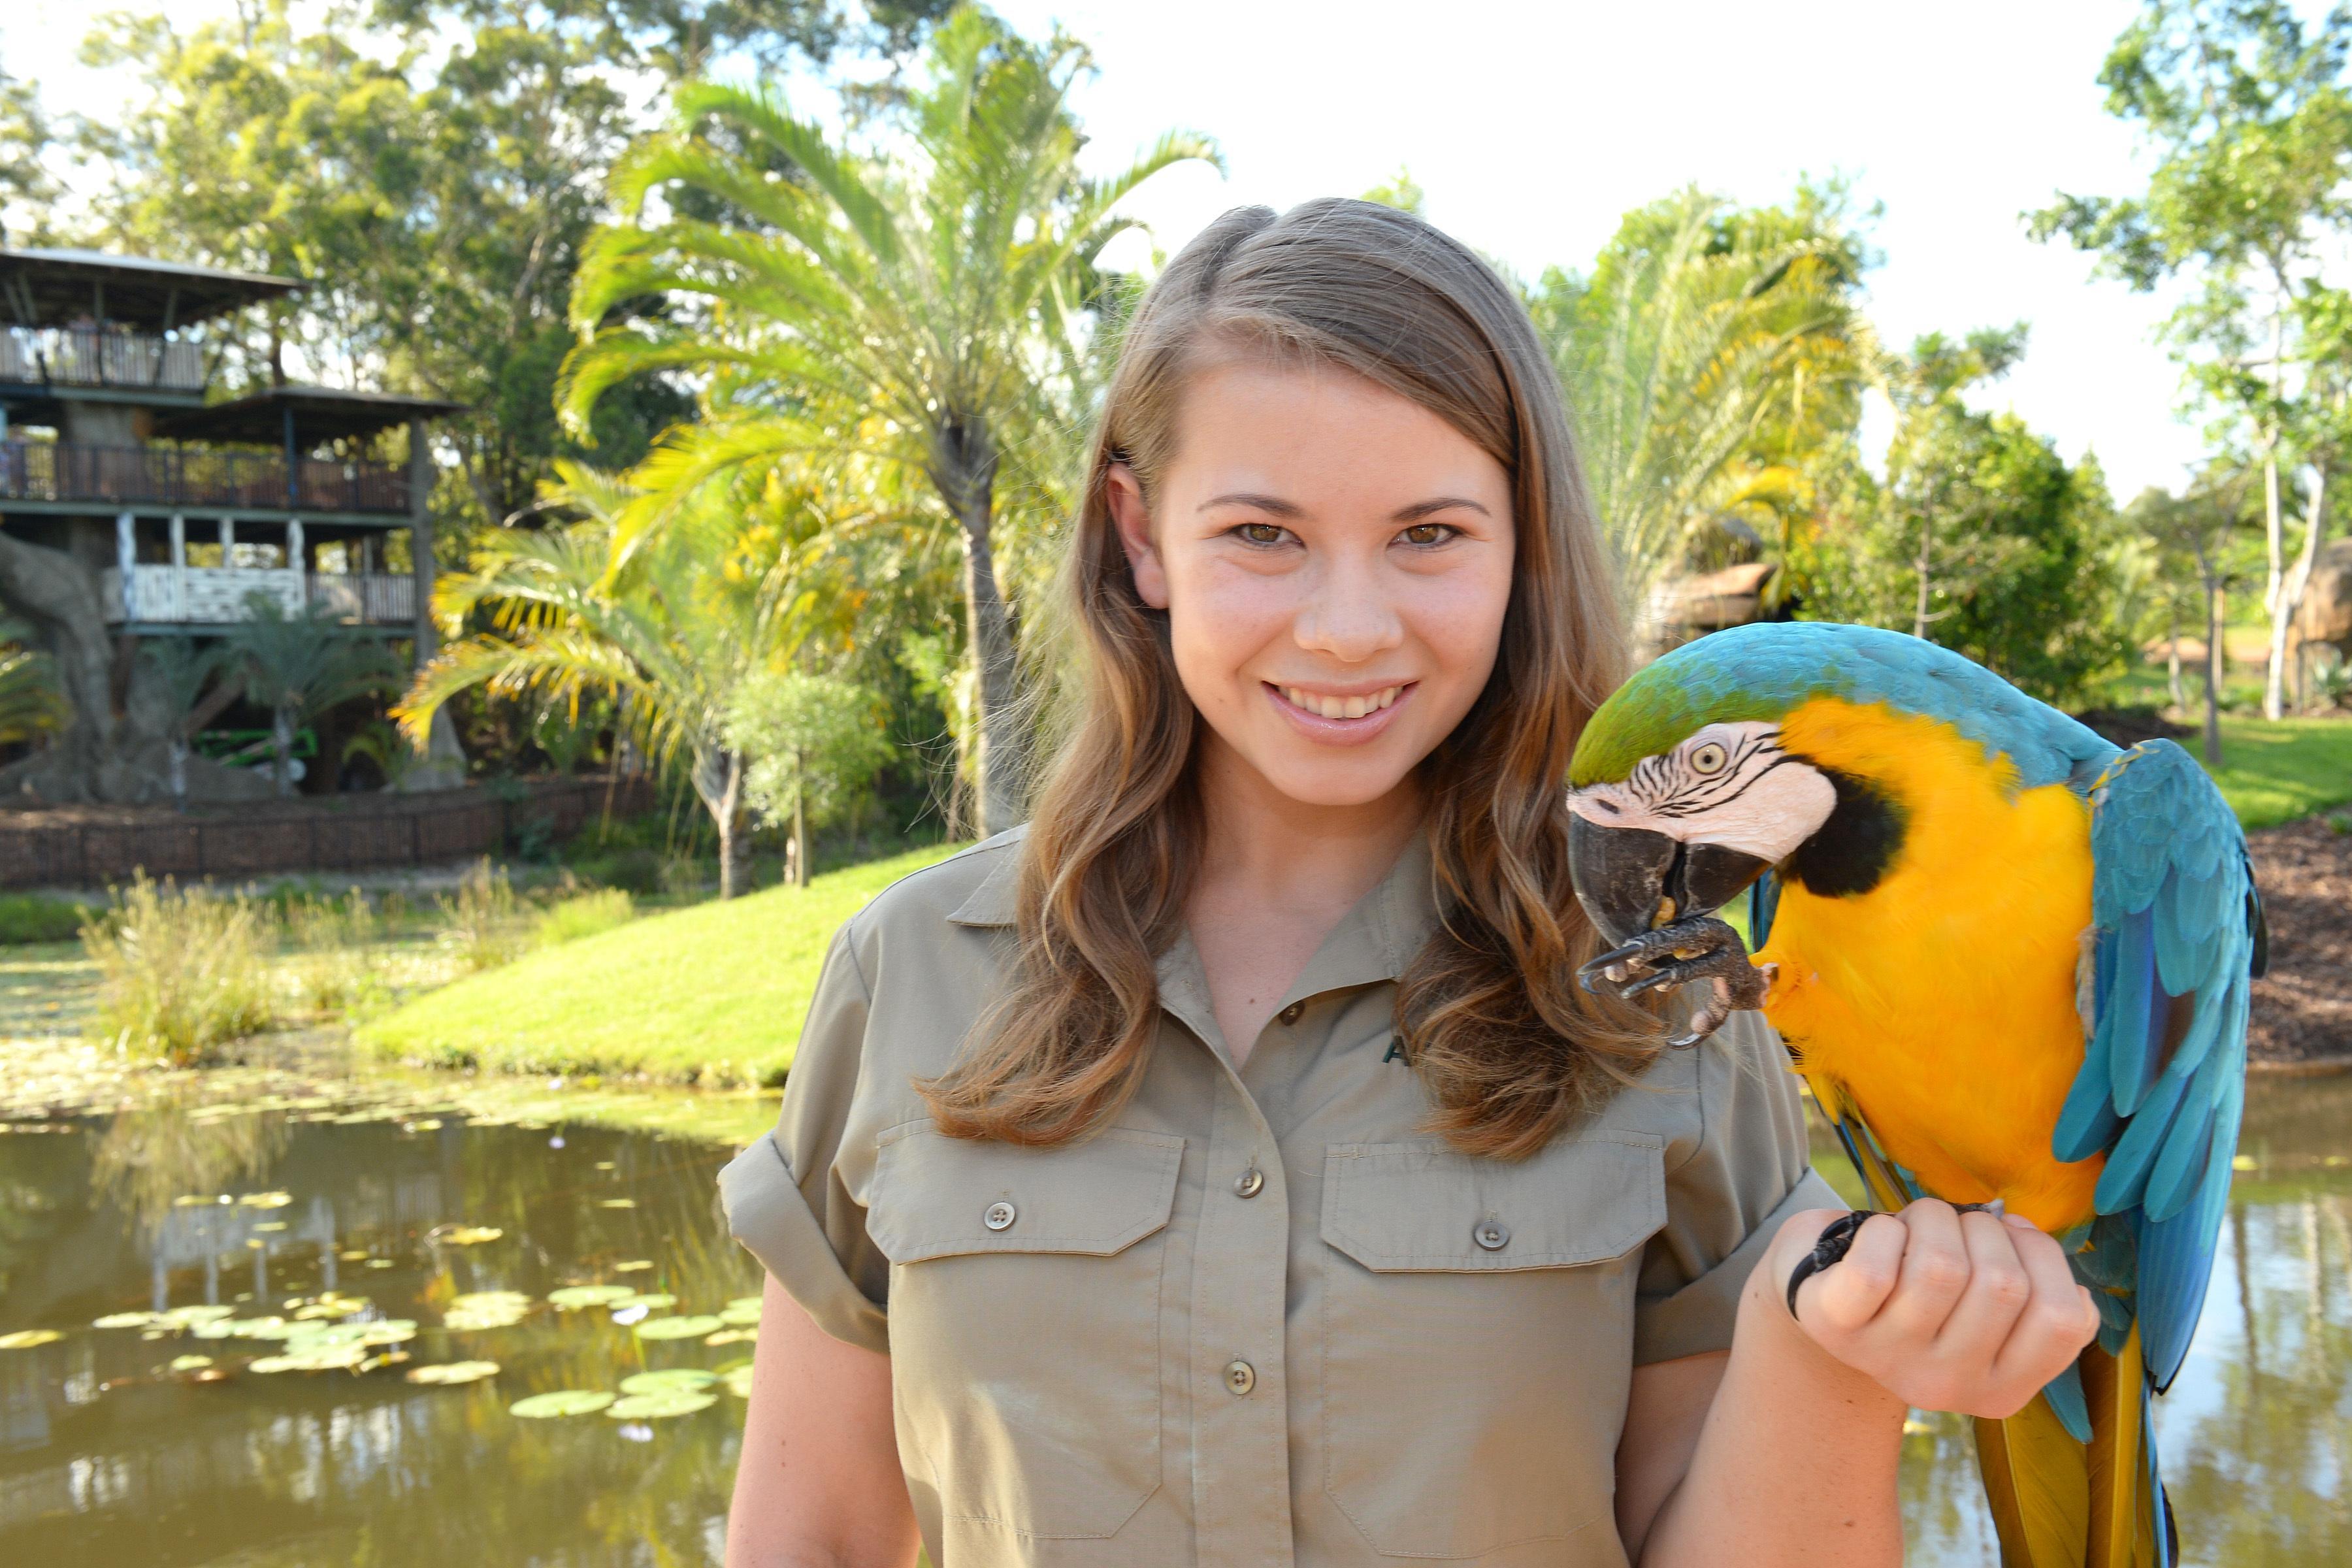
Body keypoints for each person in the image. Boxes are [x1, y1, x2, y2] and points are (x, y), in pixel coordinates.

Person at [717, 199, 2101, 1568]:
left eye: (1429, 535)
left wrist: (1835, 1355)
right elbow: (814, 1535)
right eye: (1262, 534)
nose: (1346, 628)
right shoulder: (905, 970)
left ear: (1520, 550)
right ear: (1139, 536)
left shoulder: (1675, 1010)